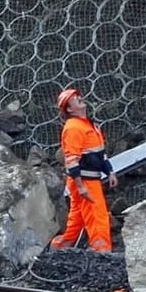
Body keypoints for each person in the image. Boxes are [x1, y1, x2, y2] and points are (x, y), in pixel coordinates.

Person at [51, 87, 117, 253]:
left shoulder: (90, 125)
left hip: (88, 179)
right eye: (74, 98)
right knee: (97, 215)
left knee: (78, 219)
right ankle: (102, 251)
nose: (79, 98)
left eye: (78, 96)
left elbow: (100, 153)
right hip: (85, 181)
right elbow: (71, 160)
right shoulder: (74, 128)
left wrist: (110, 171)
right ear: (69, 109)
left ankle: (59, 247)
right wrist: (80, 186)